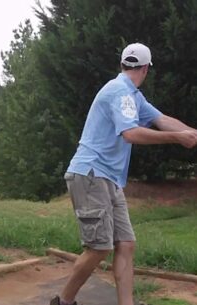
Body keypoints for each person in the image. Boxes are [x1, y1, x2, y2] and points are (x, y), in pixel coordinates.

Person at [50, 43, 197, 305]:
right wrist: (176, 137)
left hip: (108, 180)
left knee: (126, 244)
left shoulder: (133, 96)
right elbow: (130, 133)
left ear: (123, 65)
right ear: (146, 69)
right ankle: (63, 302)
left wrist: (191, 134)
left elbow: (162, 119)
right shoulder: (119, 92)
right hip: (91, 174)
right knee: (99, 247)